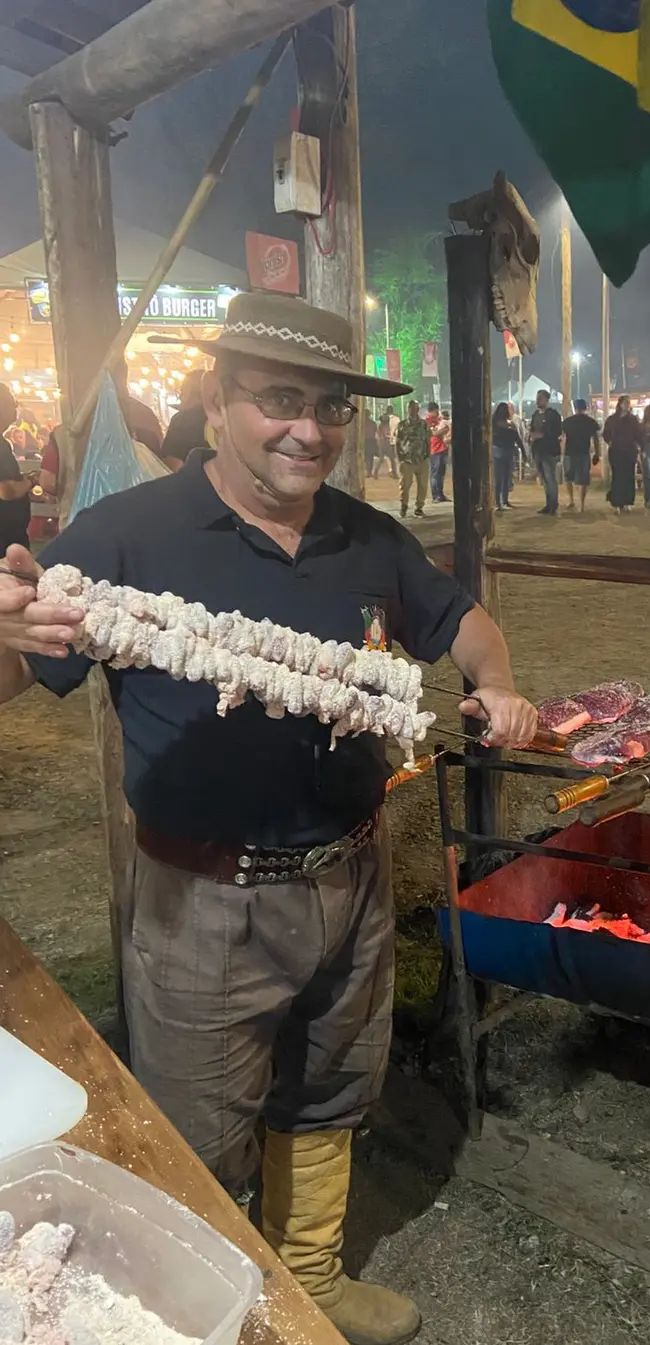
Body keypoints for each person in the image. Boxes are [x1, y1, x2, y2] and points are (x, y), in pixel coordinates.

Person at [0, 292, 538, 1345]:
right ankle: (215, 1315)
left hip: (351, 874)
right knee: (197, 1131)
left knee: (332, 1089)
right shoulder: (128, 535)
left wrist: (499, 678)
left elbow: (461, 617)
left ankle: (312, 1283)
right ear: (216, 399)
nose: (309, 429)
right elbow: (15, 673)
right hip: (205, 896)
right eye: (279, 400)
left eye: (330, 406)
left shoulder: (366, 536)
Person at [0, 384, 34, 554]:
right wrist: (30, 481)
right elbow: (6, 490)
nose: (15, 409)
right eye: (13, 403)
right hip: (5, 536)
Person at [160, 370, 211, 471]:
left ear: (197, 394)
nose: (179, 397)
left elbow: (173, 466)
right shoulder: (227, 418)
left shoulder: (180, 421)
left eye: (183, 391)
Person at [603, 395, 644, 513]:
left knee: (629, 476)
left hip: (629, 451)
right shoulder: (612, 419)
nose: (627, 405)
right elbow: (606, 433)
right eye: (625, 403)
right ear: (620, 404)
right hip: (615, 451)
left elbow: (639, 434)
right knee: (617, 476)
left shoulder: (633, 419)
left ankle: (627, 502)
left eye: (628, 403)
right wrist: (609, 441)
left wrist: (639, 447)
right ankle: (616, 502)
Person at [561, 397, 600, 513]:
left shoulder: (567, 422)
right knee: (583, 480)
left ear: (575, 408)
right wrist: (597, 453)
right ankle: (582, 505)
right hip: (584, 453)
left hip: (570, 452)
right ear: (585, 408)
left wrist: (561, 452)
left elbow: (563, 438)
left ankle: (571, 500)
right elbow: (596, 438)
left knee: (569, 478)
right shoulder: (591, 422)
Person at [395, 398, 430, 518]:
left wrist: (428, 454)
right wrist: (399, 458)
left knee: (423, 485)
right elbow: (398, 442)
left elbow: (427, 440)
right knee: (405, 485)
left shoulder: (424, 424)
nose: (413, 411)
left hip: (422, 459)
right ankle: (403, 506)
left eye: (415, 408)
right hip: (407, 460)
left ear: (418, 410)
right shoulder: (402, 425)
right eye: (410, 408)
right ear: (407, 410)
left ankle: (419, 507)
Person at [529, 389, 562, 515]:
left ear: (547, 400)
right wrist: (531, 436)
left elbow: (557, 432)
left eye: (540, 398)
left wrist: (542, 435)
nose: (538, 401)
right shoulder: (535, 415)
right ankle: (548, 504)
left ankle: (553, 504)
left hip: (549, 451)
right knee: (544, 479)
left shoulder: (553, 415)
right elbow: (532, 429)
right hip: (538, 451)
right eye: (537, 398)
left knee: (550, 478)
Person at [492, 401, 524, 511]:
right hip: (508, 452)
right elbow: (518, 440)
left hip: (495, 452)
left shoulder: (492, 425)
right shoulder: (510, 426)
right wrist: (524, 454)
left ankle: (497, 503)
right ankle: (504, 501)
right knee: (506, 478)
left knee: (497, 478)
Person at [426, 402, 451, 503]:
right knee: (434, 473)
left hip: (443, 448)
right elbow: (434, 434)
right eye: (435, 411)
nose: (436, 413)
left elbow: (446, 430)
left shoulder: (440, 419)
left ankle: (441, 494)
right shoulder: (427, 421)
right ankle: (435, 495)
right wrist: (443, 431)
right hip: (434, 449)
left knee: (441, 473)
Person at [361, 406, 380, 480]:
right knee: (370, 457)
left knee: (366, 457)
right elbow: (376, 432)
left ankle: (368, 471)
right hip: (371, 441)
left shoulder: (361, 423)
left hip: (365, 441)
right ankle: (369, 471)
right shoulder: (373, 423)